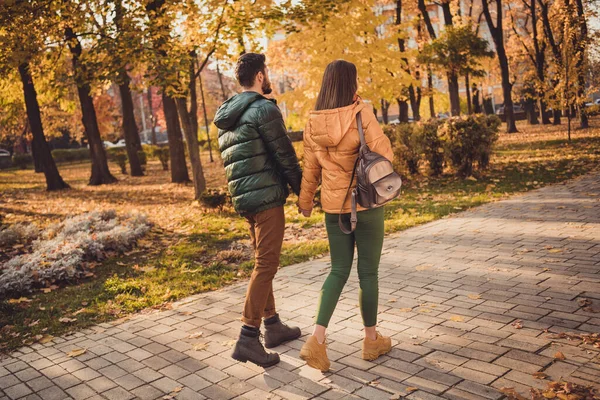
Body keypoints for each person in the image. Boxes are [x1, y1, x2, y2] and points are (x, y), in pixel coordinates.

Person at [297, 60, 394, 372]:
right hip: (366, 204)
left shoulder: (313, 122)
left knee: (338, 270)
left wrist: (305, 202)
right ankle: (370, 341)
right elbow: (384, 154)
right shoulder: (360, 111)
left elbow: (310, 169)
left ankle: (316, 340)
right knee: (368, 273)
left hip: (334, 207)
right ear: (351, 83)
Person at [213, 53, 303, 368]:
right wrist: (304, 191)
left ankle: (273, 325)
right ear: (261, 76)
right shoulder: (264, 109)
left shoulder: (227, 115)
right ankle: (248, 337)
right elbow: (285, 155)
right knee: (266, 265)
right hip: (266, 200)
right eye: (268, 72)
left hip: (245, 200)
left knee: (260, 263)